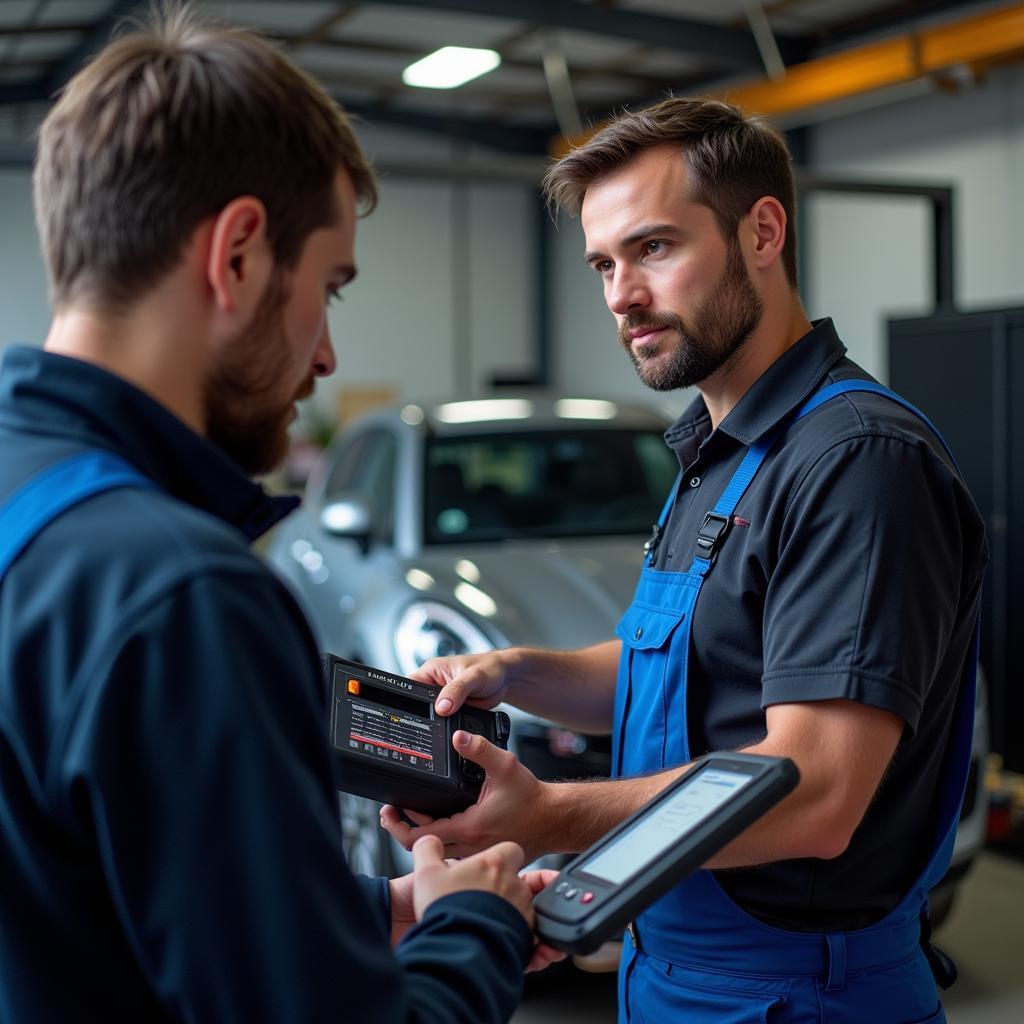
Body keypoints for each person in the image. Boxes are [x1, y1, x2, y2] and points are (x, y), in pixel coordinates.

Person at [0, 6, 562, 1022]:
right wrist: (470, 927)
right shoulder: (178, 592)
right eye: (331, 290)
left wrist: (367, 910)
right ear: (241, 254)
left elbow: (82, 882)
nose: (327, 358)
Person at [381, 98, 988, 1022]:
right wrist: (511, 671)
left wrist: (544, 814)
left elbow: (817, 795)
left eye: (654, 248)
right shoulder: (722, 450)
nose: (621, 295)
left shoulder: (857, 461)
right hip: (669, 964)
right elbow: (670, 666)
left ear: (763, 232)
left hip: (797, 995)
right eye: (603, 264)